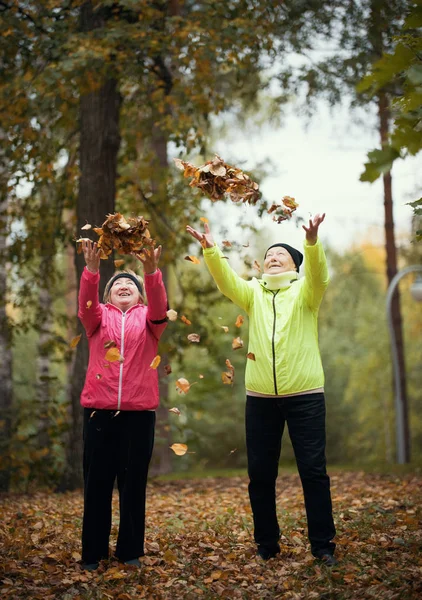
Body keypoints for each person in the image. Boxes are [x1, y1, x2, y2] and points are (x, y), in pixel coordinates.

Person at [186, 214, 337, 566]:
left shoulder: (305, 293)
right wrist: (211, 251)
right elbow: (226, 282)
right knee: (260, 474)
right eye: (269, 254)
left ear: (294, 265)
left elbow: (319, 276)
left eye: (280, 254)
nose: (272, 257)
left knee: (313, 471)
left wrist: (312, 243)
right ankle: (267, 545)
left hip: (305, 396)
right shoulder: (253, 292)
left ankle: (323, 546)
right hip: (261, 400)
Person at [78, 239, 168, 571]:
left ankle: (130, 551)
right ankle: (93, 554)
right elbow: (85, 306)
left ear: (140, 294)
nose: (124, 286)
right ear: (108, 296)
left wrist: (150, 271)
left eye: (131, 284)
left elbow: (159, 305)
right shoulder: (97, 319)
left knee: (133, 487)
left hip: (138, 415)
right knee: (97, 485)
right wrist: (91, 271)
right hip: (99, 413)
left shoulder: (151, 320)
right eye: (118, 285)